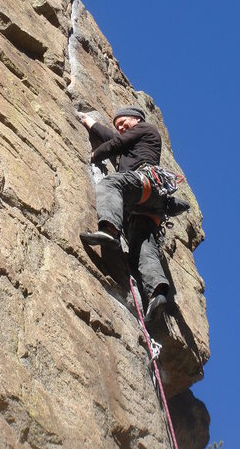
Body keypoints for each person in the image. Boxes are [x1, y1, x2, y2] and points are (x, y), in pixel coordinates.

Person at [79, 106, 170, 322]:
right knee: (142, 245)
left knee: (111, 183)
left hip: (146, 184)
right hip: (147, 205)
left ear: (136, 120)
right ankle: (157, 293)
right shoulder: (136, 140)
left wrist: (95, 155)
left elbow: (116, 143)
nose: (119, 127)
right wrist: (89, 122)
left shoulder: (147, 128)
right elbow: (113, 138)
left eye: (123, 122)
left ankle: (110, 229)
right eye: (117, 125)